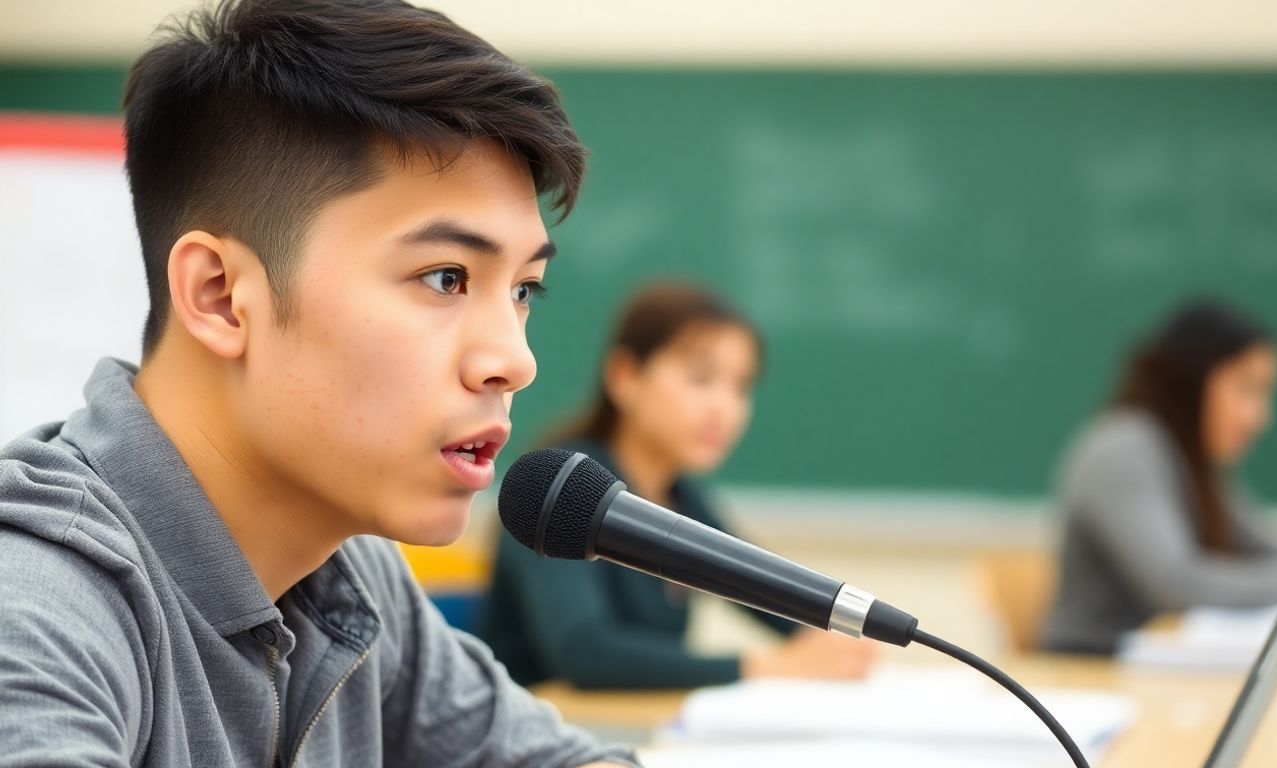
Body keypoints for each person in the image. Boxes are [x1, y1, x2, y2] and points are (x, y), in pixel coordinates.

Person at [0, 1, 637, 765]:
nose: (515, 361)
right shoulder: (35, 607)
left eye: (523, 289)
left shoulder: (344, 569)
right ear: (219, 296)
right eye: (445, 277)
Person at [480, 282, 876, 689]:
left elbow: (764, 589)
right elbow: (584, 651)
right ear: (625, 376)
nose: (724, 408)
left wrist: (834, 633)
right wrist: (765, 665)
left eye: (740, 387)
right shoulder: (565, 491)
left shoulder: (682, 498)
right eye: (702, 379)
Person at [1043, 300, 1277, 654]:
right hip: (1094, 668)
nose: (1259, 418)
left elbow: (1274, 555)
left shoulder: (1190, 460)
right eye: (1246, 388)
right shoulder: (1124, 449)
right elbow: (1177, 585)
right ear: (1194, 378)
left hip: (1159, 668)